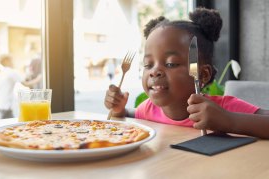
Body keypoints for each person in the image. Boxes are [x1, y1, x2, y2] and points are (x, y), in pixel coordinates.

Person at [104, 7, 269, 139]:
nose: (155, 72)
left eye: (171, 63)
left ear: (203, 75)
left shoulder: (222, 108)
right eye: (148, 64)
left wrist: (228, 120)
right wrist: (119, 110)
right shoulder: (149, 109)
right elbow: (129, 116)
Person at [0, 54, 42, 119]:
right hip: (7, 106)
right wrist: (39, 78)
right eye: (11, 60)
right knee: (8, 125)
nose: (13, 62)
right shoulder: (11, 71)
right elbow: (26, 84)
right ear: (6, 61)